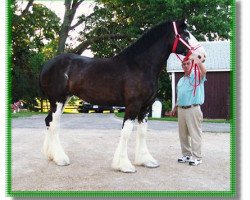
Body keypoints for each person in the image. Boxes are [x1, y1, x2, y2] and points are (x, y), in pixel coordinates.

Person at [166, 58, 207, 166]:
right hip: (181, 109)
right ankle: (187, 154)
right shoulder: (181, 80)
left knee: (195, 133)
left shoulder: (197, 76)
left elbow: (204, 72)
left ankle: (197, 157)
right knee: (183, 134)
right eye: (183, 64)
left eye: (187, 63)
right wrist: (175, 108)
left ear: (192, 64)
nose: (185, 66)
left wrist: (199, 62)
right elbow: (180, 96)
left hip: (193, 108)